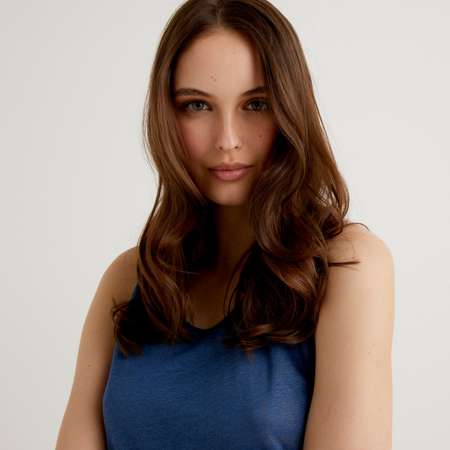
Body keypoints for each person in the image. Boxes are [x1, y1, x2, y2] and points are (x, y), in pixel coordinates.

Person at [56, 1, 395, 449]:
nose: (227, 140)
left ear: (290, 109)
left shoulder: (346, 268)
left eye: (256, 104)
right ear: (166, 115)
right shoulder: (131, 278)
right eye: (197, 105)